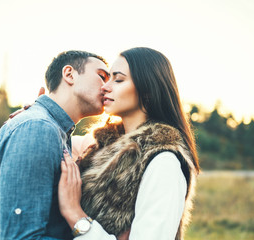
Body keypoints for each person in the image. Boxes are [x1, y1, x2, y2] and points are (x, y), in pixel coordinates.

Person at [58, 47, 200, 240]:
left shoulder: (163, 161)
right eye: (106, 78)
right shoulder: (102, 146)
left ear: (148, 90)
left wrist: (76, 216)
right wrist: (39, 114)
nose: (105, 87)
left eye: (118, 79)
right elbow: (57, 140)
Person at [0, 50, 109, 239]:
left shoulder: (51, 129)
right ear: (69, 74)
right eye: (102, 76)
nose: (107, 87)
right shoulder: (38, 127)